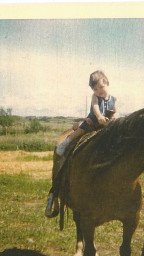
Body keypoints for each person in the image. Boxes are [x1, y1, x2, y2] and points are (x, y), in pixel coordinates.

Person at [45, 70, 118, 217]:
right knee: (81, 131)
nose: (98, 91)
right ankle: (66, 142)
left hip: (106, 125)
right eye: (95, 89)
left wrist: (114, 118)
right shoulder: (95, 97)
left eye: (100, 87)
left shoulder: (113, 99)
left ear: (107, 83)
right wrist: (99, 116)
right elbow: (96, 108)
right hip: (94, 122)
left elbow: (116, 111)